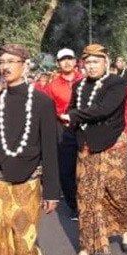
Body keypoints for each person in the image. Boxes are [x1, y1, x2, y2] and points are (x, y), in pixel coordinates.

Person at [0, 44, 60, 255]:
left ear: (24, 65)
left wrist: (52, 191)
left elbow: (50, 149)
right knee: (1, 251)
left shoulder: (41, 102)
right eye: (1, 61)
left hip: (28, 183)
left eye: (11, 61)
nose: (5, 66)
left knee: (25, 247)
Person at [60, 44, 127, 255]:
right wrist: (68, 121)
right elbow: (73, 108)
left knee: (117, 192)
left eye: (96, 62)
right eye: (88, 62)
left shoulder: (117, 83)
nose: (91, 67)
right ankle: (85, 248)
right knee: (86, 196)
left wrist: (72, 115)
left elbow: (104, 109)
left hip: (112, 146)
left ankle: (126, 231)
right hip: (86, 148)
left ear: (106, 62)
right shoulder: (79, 85)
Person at [43, 48, 83, 220]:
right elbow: (46, 109)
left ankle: (89, 203)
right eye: (63, 60)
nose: (67, 62)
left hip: (84, 127)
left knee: (86, 168)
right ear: (58, 64)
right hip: (62, 128)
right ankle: (74, 206)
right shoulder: (52, 86)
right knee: (66, 170)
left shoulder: (85, 80)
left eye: (70, 59)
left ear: (76, 61)